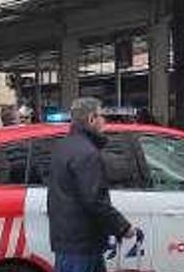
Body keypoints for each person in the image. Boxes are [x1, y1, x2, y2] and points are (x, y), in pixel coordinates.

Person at [48, 97, 137, 272]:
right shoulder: (87, 154)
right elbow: (95, 200)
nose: (104, 120)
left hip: (68, 239)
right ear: (91, 119)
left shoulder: (63, 146)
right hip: (83, 242)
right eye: (101, 116)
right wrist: (123, 228)